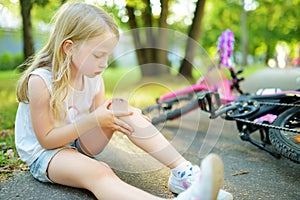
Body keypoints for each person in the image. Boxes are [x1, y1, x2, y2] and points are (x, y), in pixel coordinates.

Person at [14, 2, 233, 200]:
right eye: (98, 55)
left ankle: (183, 173)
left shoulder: (94, 79)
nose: (104, 63)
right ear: (69, 47)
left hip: (78, 143)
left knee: (123, 111)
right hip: (47, 154)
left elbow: (97, 120)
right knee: (100, 172)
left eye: (107, 55)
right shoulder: (41, 81)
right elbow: (47, 140)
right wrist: (94, 119)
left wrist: (124, 115)